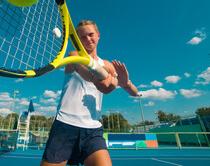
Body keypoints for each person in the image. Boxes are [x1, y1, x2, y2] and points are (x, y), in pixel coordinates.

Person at [40, 20, 138, 166]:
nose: (87, 39)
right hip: (65, 125)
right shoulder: (74, 55)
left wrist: (125, 83)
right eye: (82, 37)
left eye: (91, 34)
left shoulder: (108, 65)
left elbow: (133, 93)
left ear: (98, 35)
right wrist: (97, 78)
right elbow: (84, 71)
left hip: (92, 130)